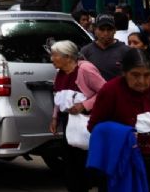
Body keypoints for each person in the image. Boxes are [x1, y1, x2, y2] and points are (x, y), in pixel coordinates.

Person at [88, 49, 150, 192]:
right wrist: (125, 135)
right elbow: (95, 127)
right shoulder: (111, 90)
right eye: (135, 75)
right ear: (124, 73)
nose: (142, 81)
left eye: (147, 75)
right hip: (123, 162)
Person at [48, 41, 106, 192]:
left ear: (67, 57)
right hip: (69, 122)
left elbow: (105, 91)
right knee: (71, 161)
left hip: (87, 121)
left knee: (86, 158)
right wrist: (54, 118)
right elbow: (58, 97)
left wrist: (84, 105)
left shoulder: (85, 69)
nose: (52, 59)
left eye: (55, 55)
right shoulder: (59, 73)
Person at [78, 15, 129, 81]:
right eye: (102, 29)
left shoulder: (126, 51)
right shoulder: (86, 51)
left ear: (115, 30)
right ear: (95, 30)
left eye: (109, 29)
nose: (105, 33)